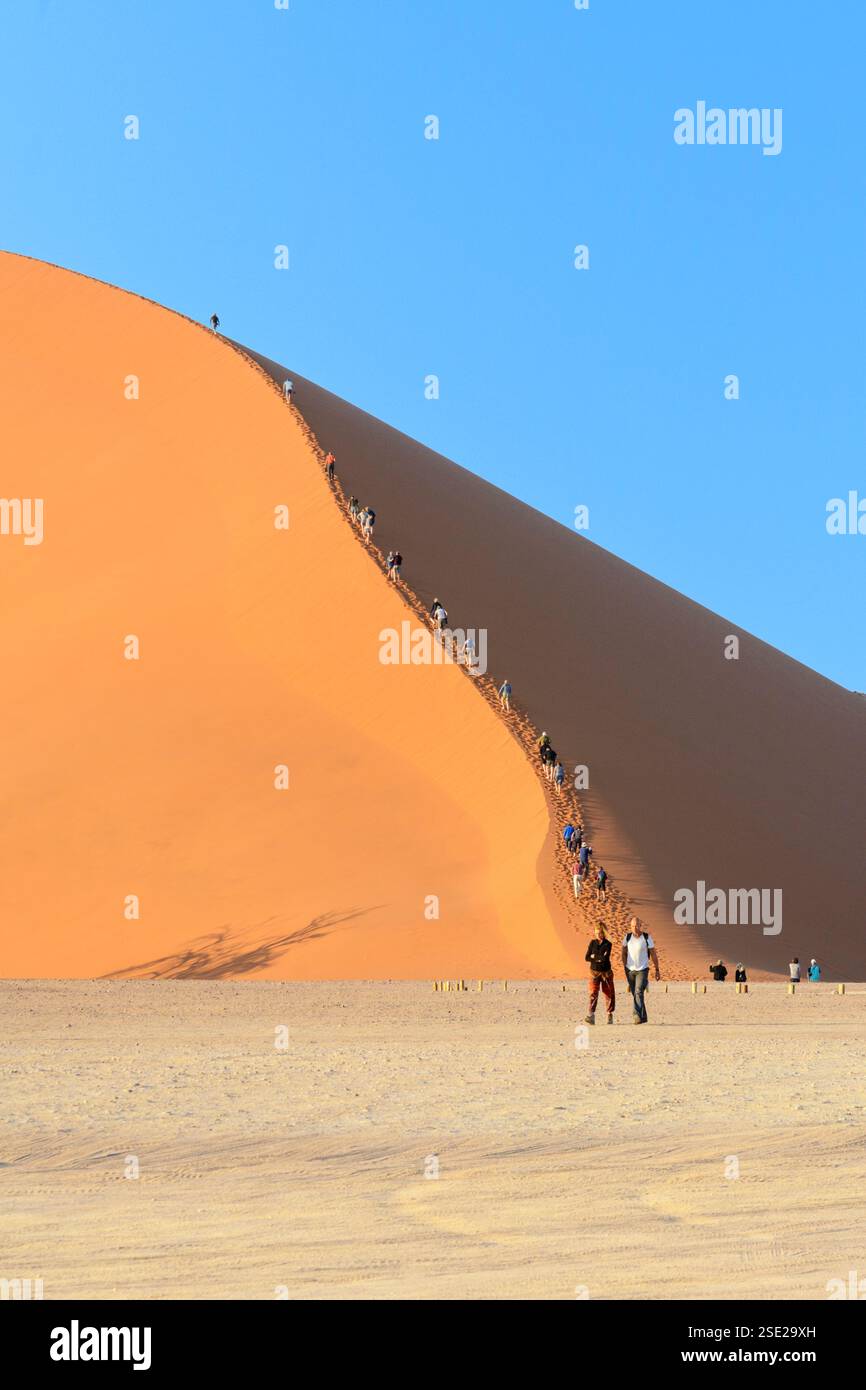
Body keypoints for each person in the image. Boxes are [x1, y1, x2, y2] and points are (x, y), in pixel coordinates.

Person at [622, 917, 660, 1024]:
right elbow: (623, 952)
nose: (634, 928)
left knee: (638, 991)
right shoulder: (627, 937)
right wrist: (625, 966)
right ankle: (644, 1017)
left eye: (636, 926)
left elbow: (653, 954)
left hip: (642, 970)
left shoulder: (646, 937)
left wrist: (657, 969)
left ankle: (637, 1016)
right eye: (632, 926)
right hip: (630, 970)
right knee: (635, 994)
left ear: (640, 926)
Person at [585, 922, 615, 1023]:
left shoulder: (608, 944)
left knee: (608, 994)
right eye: (596, 932)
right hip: (594, 972)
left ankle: (609, 1015)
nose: (598, 935)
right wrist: (597, 958)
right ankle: (591, 1015)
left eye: (600, 933)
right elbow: (587, 957)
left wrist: (594, 957)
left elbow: (605, 958)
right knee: (593, 993)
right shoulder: (592, 943)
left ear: (604, 933)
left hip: (606, 973)